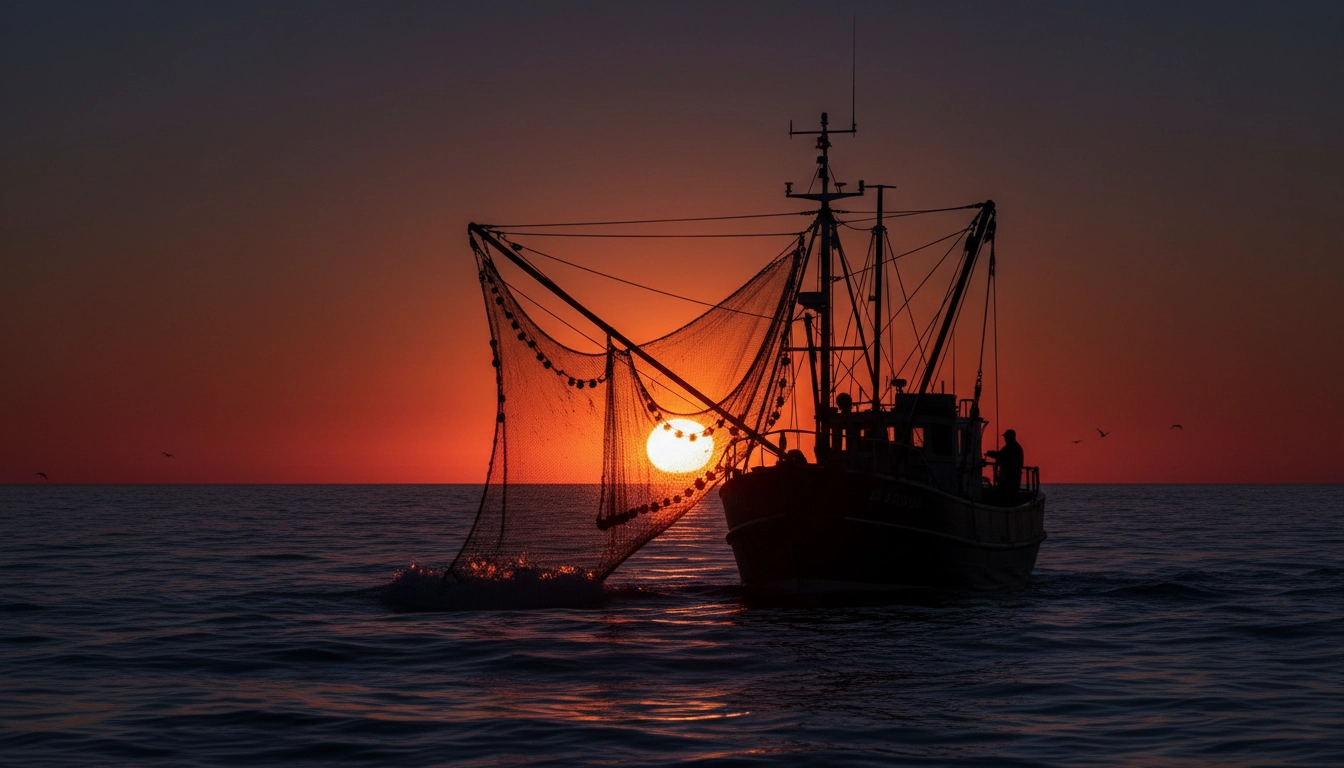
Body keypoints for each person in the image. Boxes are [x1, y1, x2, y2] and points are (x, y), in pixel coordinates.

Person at [986, 429, 1024, 500]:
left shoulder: (1013, 448)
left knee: (1008, 497)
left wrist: (990, 453)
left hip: (1011, 479)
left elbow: (1000, 455)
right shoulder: (1011, 447)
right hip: (1007, 478)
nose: (1005, 439)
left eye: (1006, 437)